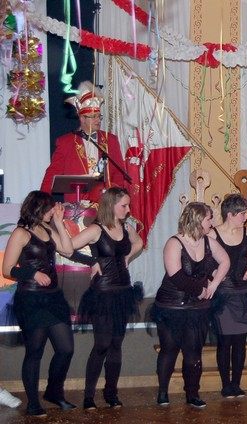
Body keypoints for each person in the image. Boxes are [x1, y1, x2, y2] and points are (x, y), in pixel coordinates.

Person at [2, 191, 74, 417]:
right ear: (37, 208)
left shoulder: (46, 228)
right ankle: (33, 402)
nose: (53, 211)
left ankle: (54, 392)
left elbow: (68, 250)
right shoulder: (21, 233)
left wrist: (59, 223)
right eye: (50, 208)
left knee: (66, 349)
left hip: (53, 297)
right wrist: (32, 273)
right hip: (31, 299)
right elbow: (7, 269)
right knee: (35, 351)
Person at [71, 187, 144, 410]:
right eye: (124, 205)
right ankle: (88, 396)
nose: (128, 209)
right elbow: (68, 247)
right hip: (102, 294)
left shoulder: (126, 227)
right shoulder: (96, 229)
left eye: (128, 205)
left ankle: (111, 392)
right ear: (111, 205)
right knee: (102, 344)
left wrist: (127, 257)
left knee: (116, 344)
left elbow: (139, 243)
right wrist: (91, 262)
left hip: (123, 292)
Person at [152, 202, 230, 408]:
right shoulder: (174, 243)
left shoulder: (208, 241)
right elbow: (177, 277)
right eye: (209, 218)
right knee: (169, 349)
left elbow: (225, 261)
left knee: (194, 352)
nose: (212, 222)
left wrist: (214, 284)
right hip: (172, 306)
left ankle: (192, 393)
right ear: (197, 220)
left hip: (197, 308)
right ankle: (163, 392)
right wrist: (202, 290)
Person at [41, 81, 127, 203]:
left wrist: (117, 202)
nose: (98, 120)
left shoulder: (110, 140)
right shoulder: (66, 142)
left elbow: (118, 175)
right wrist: (43, 202)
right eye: (93, 116)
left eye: (99, 116)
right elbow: (52, 174)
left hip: (106, 205)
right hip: (77, 204)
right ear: (82, 118)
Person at [210, 195, 247, 398]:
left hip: (243, 292)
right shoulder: (213, 234)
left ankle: (236, 384)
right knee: (224, 341)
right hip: (223, 294)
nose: (246, 218)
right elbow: (205, 261)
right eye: (243, 214)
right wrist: (214, 273)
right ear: (230, 215)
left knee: (240, 341)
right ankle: (226, 385)